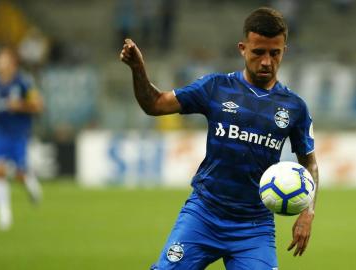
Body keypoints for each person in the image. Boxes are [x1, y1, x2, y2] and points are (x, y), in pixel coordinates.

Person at [120, 7, 319, 270]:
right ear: (242, 48)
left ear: (285, 50)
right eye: (258, 52)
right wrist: (138, 69)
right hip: (203, 214)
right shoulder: (215, 87)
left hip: (254, 227)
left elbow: (310, 164)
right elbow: (155, 104)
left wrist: (308, 212)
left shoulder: (295, 107)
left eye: (275, 53)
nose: (266, 62)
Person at [0, 47, 43, 231]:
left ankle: (30, 182)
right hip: (0, 133)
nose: (1, 64)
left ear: (13, 63)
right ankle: (4, 214)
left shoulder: (23, 82)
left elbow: (38, 105)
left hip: (19, 135)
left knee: (19, 174)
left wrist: (21, 105)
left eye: (4, 60)